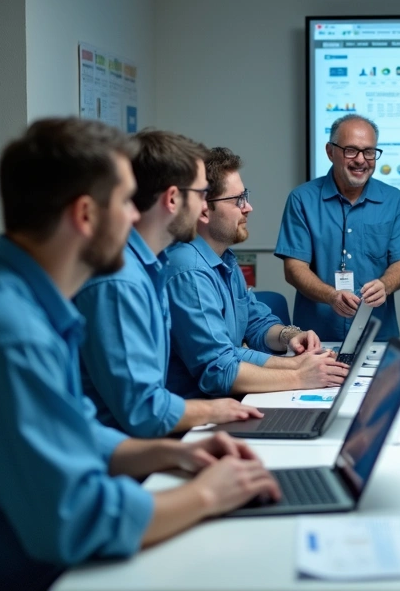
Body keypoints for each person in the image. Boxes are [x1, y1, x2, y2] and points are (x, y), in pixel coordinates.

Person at [0, 119, 281, 591]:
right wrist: (207, 495)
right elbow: (76, 521)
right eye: (126, 202)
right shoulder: (10, 334)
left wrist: (171, 454)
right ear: (85, 215)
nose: (135, 218)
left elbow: (75, 431)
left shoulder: (18, 299)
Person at [74, 130, 263, 437]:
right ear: (173, 198)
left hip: (142, 443)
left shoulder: (153, 266)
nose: (205, 207)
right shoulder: (121, 281)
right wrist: (215, 411)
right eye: (201, 194)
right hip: (122, 452)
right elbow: (143, 411)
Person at [165, 147, 348, 399]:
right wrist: (298, 374)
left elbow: (255, 323)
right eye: (237, 200)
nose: (248, 207)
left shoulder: (224, 259)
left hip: (227, 399)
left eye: (246, 196)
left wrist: (290, 336)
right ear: (204, 210)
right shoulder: (189, 271)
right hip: (198, 411)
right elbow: (220, 370)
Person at [276, 114, 400, 341]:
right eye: (351, 150)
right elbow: (294, 269)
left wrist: (385, 285)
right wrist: (331, 296)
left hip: (377, 335)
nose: (361, 160)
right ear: (330, 152)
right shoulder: (302, 199)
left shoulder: (395, 200)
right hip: (314, 338)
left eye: (369, 152)